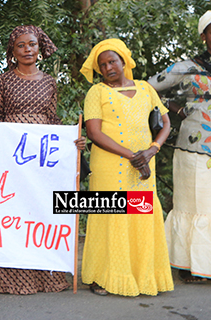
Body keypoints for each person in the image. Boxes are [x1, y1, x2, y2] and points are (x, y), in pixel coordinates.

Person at [0, 26, 85, 295]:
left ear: (40, 48)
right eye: (21, 46)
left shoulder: (50, 81)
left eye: (32, 44)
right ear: (12, 51)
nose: (27, 49)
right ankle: (11, 278)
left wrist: (71, 140)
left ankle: (47, 277)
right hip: (12, 156)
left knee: (40, 210)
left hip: (42, 159)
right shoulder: (3, 81)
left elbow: (53, 120)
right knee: (12, 213)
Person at [80, 38, 174, 297]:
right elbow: (94, 132)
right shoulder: (96, 93)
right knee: (110, 216)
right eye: (102, 64)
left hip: (144, 166)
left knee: (141, 214)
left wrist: (152, 149)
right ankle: (101, 277)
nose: (108, 67)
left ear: (123, 62)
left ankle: (141, 274)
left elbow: (166, 123)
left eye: (112, 61)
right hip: (111, 166)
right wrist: (132, 155)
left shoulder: (146, 89)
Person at [148, 11, 211, 283]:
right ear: (203, 36)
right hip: (193, 149)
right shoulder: (186, 67)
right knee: (193, 205)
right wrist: (178, 109)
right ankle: (189, 267)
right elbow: (148, 89)